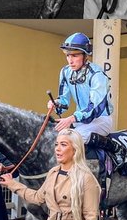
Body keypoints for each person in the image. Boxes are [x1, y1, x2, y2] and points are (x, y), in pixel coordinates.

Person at [47, 33, 116, 171]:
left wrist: (72, 118)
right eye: (68, 55)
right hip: (79, 119)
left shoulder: (97, 75)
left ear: (86, 56)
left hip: (100, 119)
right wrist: (56, 104)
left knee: (71, 140)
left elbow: (95, 107)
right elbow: (64, 101)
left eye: (75, 55)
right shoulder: (65, 72)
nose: (70, 60)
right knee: (52, 137)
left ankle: (95, 170)